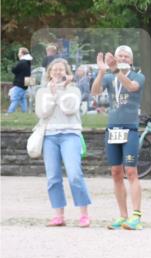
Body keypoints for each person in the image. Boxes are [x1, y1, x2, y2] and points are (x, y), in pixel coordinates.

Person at [91, 47, 145, 230]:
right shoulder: (109, 77)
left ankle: (136, 216)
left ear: (131, 60)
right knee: (115, 172)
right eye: (119, 55)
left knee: (131, 171)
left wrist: (116, 70)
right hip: (113, 129)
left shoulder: (138, 76)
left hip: (130, 129)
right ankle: (123, 215)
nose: (122, 58)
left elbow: (131, 87)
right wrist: (101, 71)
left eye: (126, 56)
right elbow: (95, 92)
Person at [37, 58, 92, 227]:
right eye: (55, 69)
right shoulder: (42, 92)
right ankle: (58, 215)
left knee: (75, 174)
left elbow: (70, 109)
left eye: (61, 69)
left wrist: (59, 93)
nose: (58, 72)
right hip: (50, 136)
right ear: (49, 72)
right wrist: (53, 95)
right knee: (53, 176)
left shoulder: (73, 90)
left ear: (67, 73)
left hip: (70, 135)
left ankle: (83, 214)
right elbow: (42, 113)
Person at [8, 48, 32, 113]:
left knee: (14, 99)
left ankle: (9, 113)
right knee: (23, 100)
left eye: (19, 52)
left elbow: (15, 70)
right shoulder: (28, 62)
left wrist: (11, 68)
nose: (18, 54)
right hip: (25, 84)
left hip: (19, 84)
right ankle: (25, 113)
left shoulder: (22, 62)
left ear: (23, 54)